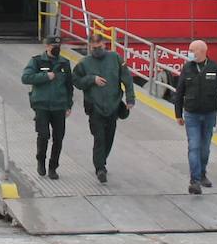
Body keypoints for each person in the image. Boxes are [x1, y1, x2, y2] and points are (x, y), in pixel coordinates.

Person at [71, 30, 135, 184]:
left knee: (109, 137)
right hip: (95, 107)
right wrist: (91, 79)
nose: (96, 50)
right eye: (94, 48)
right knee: (99, 138)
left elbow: (127, 79)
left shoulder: (115, 58)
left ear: (104, 44)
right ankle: (100, 168)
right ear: (89, 47)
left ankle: (102, 160)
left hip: (113, 106)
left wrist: (130, 98)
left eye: (99, 47)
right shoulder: (84, 63)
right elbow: (76, 81)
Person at [172, 39, 217, 195]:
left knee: (205, 148)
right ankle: (194, 181)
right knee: (194, 146)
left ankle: (202, 173)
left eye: (192, 50)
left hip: (209, 114)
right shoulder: (187, 68)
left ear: (202, 51)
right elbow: (179, 92)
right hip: (191, 114)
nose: (189, 53)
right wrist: (178, 114)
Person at [20, 36, 73, 179]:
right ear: (47, 46)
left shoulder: (64, 63)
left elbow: (69, 86)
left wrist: (69, 105)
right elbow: (25, 78)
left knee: (58, 138)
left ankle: (53, 167)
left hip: (59, 106)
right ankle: (40, 161)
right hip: (41, 105)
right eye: (53, 45)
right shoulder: (37, 61)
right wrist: (45, 76)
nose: (56, 48)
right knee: (43, 135)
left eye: (58, 45)